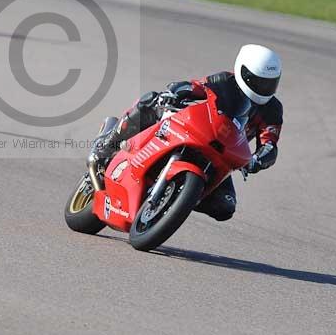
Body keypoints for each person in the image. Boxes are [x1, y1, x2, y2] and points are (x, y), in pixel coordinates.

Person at [92, 44, 283, 222]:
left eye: (269, 83)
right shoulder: (225, 81)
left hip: (222, 156)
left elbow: (270, 143)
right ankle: (109, 143)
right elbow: (197, 87)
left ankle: (176, 199)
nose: (264, 88)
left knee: (225, 207)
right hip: (195, 132)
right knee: (151, 101)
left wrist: (257, 160)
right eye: (257, 81)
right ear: (244, 72)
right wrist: (178, 91)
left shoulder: (272, 109)